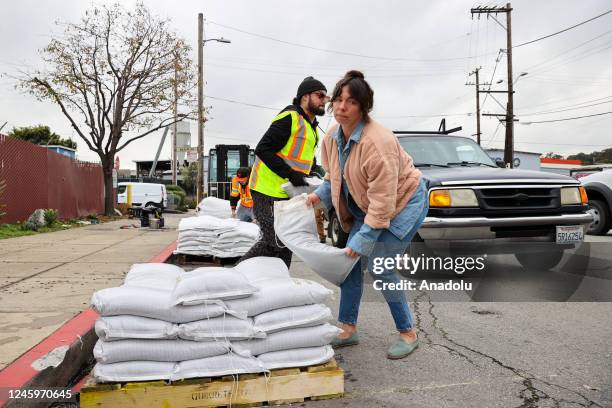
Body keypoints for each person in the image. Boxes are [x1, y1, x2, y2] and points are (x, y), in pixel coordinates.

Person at [306, 70, 429, 360]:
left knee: (380, 265)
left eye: (350, 102)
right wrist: (317, 196)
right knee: (350, 266)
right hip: (369, 205)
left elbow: (383, 204)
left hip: (405, 203)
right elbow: (332, 178)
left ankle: (408, 333)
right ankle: (348, 329)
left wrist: (361, 243)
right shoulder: (332, 139)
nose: (340, 107)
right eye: (337, 100)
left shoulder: (378, 143)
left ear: (363, 108)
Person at [241, 76, 329, 268]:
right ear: (305, 97)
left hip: (289, 194)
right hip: (266, 190)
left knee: (286, 243)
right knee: (274, 240)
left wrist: (313, 172)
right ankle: (236, 273)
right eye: (320, 95)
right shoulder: (290, 117)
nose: (324, 100)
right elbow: (263, 149)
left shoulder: (311, 127)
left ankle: (279, 281)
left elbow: (304, 158)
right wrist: (290, 173)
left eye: (326, 97)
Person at [309, 158, 327, 243]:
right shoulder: (306, 169)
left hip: (319, 196)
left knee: (318, 217)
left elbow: (325, 180)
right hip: (307, 196)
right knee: (311, 218)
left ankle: (322, 236)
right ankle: (314, 236)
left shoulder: (319, 169)